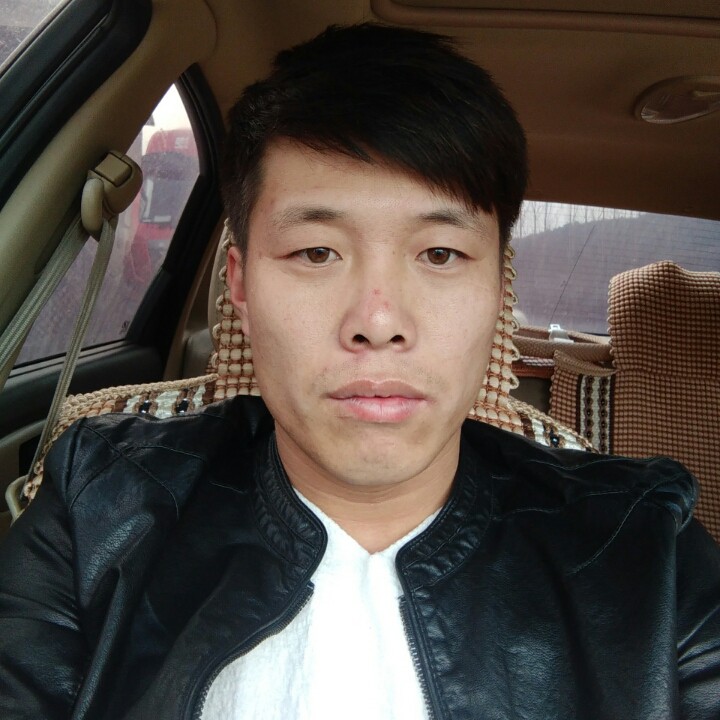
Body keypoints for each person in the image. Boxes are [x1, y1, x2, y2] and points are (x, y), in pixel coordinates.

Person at [1, 22, 719, 720]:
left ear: (498, 290)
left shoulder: (647, 550)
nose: (378, 321)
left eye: (440, 254)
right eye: (317, 253)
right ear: (241, 287)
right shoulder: (101, 503)